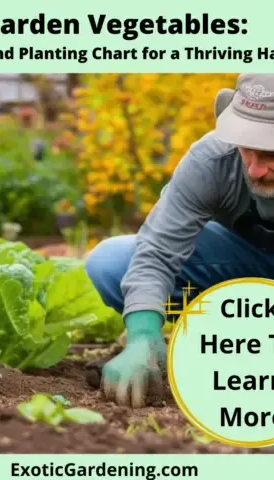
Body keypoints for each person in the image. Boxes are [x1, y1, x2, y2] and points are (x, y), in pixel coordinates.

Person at [84, 73, 274, 408]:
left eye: (271, 154)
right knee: (112, 263)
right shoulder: (213, 161)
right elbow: (157, 252)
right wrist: (143, 335)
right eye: (248, 149)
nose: (255, 170)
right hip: (251, 260)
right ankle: (225, 344)